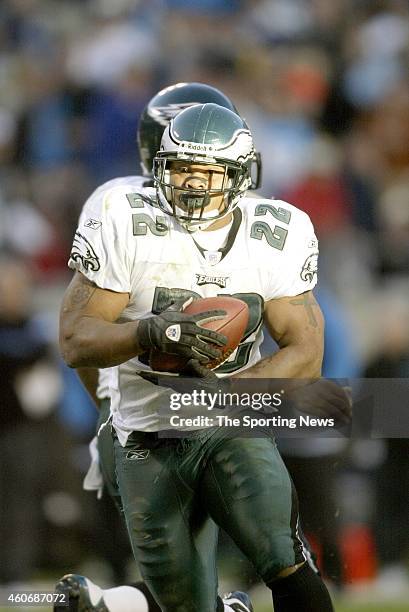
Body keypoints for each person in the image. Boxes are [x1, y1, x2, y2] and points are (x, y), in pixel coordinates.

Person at [59, 102, 350, 611]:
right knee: (186, 603)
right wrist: (148, 333)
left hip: (230, 421)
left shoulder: (275, 233)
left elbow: (307, 354)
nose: (194, 184)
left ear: (238, 177)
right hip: (146, 434)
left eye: (209, 172)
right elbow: (75, 339)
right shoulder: (123, 217)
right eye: (182, 169)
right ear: (160, 168)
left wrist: (229, 397)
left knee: (281, 554)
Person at [56, 84, 258, 612]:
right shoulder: (119, 201)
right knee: (180, 567)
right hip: (144, 410)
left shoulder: (239, 209)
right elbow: (79, 331)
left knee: (181, 568)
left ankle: (110, 604)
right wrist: (111, 407)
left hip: (198, 406)